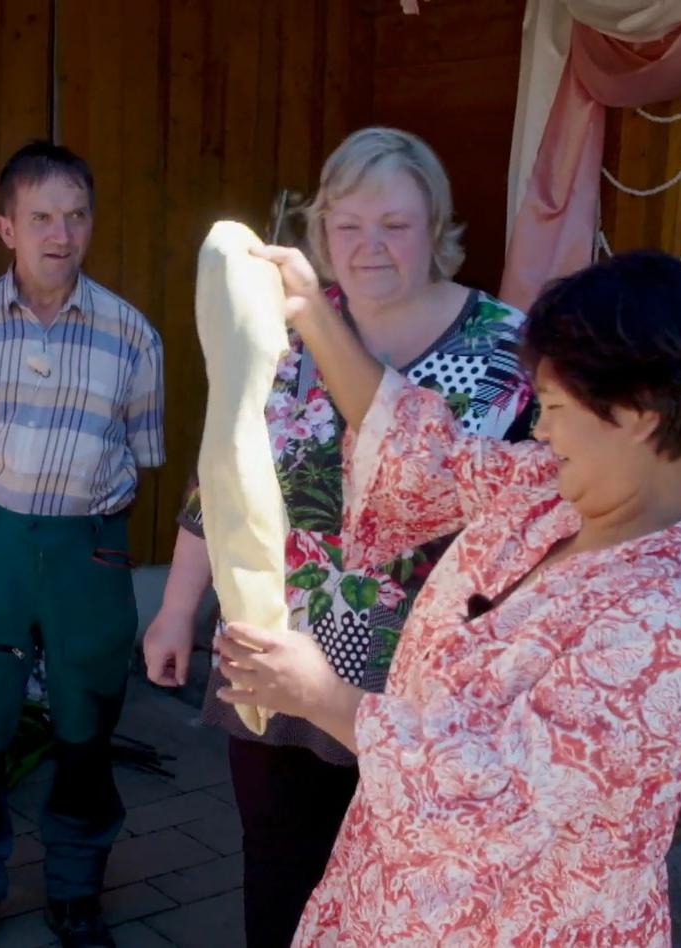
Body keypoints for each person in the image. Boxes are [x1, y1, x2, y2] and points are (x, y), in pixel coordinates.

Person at [217, 248, 681, 945]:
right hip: (395, 896)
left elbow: (498, 800)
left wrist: (324, 697)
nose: (541, 429)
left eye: (552, 406)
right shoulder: (560, 492)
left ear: (639, 411)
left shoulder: (669, 628)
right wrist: (313, 308)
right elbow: (422, 451)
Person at [142, 127, 531, 947]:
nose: (369, 246)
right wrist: (178, 606)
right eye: (347, 225)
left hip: (416, 684)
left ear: (437, 227)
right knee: (280, 869)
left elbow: (438, 480)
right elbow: (225, 464)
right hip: (276, 652)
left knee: (405, 887)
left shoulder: (502, 346)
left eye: (394, 224)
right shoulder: (280, 330)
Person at [0, 140, 164, 948]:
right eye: (43, 217)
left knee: (85, 735)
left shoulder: (131, 336)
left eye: (77, 215)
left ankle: (75, 893)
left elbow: (140, 457)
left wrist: (91, 536)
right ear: (6, 228)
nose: (62, 233)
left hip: (89, 548)